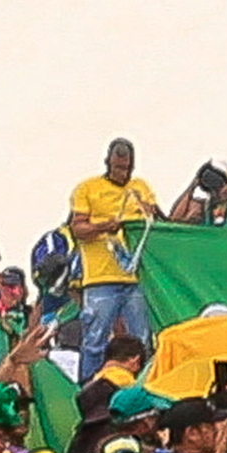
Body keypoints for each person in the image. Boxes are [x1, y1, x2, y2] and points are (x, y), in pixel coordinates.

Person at [66, 141, 162, 358]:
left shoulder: (141, 187)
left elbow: (155, 223)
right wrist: (103, 227)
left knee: (142, 340)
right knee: (95, 341)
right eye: (118, 168)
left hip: (136, 278)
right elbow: (77, 228)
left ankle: (139, 386)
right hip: (101, 279)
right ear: (108, 163)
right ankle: (90, 387)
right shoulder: (88, 188)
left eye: (127, 168)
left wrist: (148, 211)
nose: (123, 173)